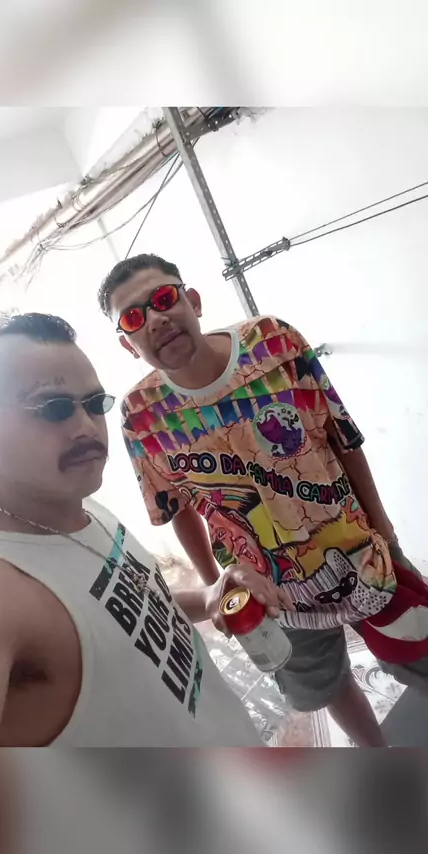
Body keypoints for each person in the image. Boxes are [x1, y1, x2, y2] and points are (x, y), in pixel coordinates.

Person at [99, 253, 428, 748]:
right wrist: (216, 587)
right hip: (267, 589)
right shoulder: (141, 415)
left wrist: (384, 528)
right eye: (133, 317)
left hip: (360, 549)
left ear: (193, 301)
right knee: (327, 684)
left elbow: (341, 436)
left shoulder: (273, 342)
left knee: (417, 647)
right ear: (128, 344)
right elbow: (176, 507)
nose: (155, 318)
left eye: (164, 298)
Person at [0, 312, 278, 747]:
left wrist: (206, 597)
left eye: (93, 404)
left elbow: (126, 610)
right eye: (54, 409)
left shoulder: (82, 509)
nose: (85, 427)